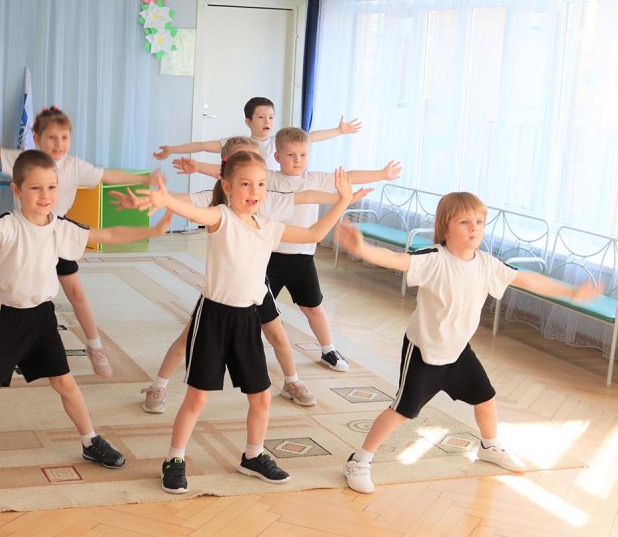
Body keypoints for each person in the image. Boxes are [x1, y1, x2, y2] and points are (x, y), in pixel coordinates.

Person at [0, 149, 173, 487]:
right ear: (17, 190)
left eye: (51, 187)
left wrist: (152, 232)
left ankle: (90, 440)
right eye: (36, 188)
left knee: (65, 383)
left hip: (42, 319)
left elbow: (106, 235)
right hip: (5, 319)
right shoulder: (8, 225)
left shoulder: (61, 229)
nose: (45, 195)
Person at [333, 192, 601, 494]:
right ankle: (359, 460)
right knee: (403, 410)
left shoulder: (487, 264)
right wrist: (362, 249)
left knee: (485, 398)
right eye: (464, 222)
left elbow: (527, 280)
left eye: (479, 222)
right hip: (425, 352)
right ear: (445, 228)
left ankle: (490, 446)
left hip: (458, 352)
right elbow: (397, 260)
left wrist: (571, 292)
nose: (474, 228)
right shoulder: (433, 258)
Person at [138, 152, 353, 494]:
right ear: (227, 187)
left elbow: (314, 231)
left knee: (262, 397)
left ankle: (253, 456)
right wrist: (166, 200)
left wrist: (342, 201)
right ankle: (174, 459)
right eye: (246, 184)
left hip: (248, 319)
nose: (254, 191)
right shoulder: (220, 217)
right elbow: (195, 212)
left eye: (261, 184)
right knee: (197, 398)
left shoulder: (269, 227)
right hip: (213, 318)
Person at [113, 136, 371, 413]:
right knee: (187, 339)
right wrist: (154, 198)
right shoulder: (216, 204)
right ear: (227, 175)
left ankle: (292, 381)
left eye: (258, 176)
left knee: (278, 336)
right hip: (222, 294)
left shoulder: (268, 198)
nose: (253, 185)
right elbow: (182, 203)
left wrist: (344, 199)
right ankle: (158, 385)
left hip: (256, 287)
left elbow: (308, 201)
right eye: (244, 175)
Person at [0, 106, 152, 378]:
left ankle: (95, 346)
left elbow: (108, 176)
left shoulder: (74, 166)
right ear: (36, 138)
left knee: (77, 294)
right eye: (52, 137)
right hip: (24, 239)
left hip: (58, 236)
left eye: (64, 137)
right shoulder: (24, 160)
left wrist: (145, 179)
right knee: (6, 301)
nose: (59, 144)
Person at [266, 126, 402, 373]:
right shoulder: (269, 179)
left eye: (303, 155)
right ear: (277, 156)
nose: (297, 160)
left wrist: (382, 174)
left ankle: (328, 350)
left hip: (302, 259)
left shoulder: (315, 179)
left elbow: (348, 176)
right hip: (269, 257)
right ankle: (235, 346)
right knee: (255, 308)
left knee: (313, 307)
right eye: (291, 155)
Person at [152, 96, 361, 165]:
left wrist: (338, 131)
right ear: (248, 121)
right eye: (261, 117)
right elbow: (204, 145)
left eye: (270, 117)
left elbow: (310, 137)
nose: (267, 121)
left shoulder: (279, 140)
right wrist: (172, 149)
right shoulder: (239, 143)